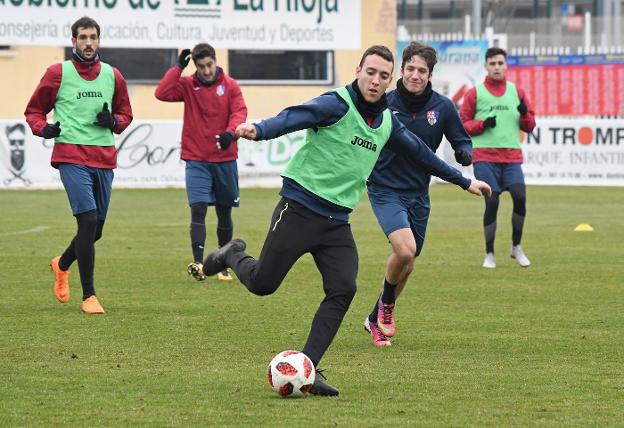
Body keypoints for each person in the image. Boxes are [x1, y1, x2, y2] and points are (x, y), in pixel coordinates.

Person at [200, 45, 492, 396]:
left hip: (336, 222)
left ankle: (308, 368)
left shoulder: (386, 122)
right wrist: (259, 129)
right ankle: (232, 252)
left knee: (343, 288)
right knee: (263, 284)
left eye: (384, 76)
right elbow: (293, 117)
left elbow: (421, 154)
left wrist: (465, 180)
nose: (376, 80)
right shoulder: (335, 104)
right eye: (371, 72)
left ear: (390, 80)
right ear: (358, 70)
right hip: (299, 210)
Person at [363, 41, 474, 347]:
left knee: (408, 262)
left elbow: (460, 140)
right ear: (401, 70)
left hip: (418, 194)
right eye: (410, 68)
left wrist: (464, 152)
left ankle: (375, 319)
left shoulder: (443, 107)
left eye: (421, 70)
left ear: (430, 75)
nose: (414, 75)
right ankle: (386, 307)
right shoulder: (384, 103)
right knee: (405, 250)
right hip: (385, 189)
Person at [24, 16, 133, 314]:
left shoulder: (113, 75)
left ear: (99, 40)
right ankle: (89, 296)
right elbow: (34, 110)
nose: (88, 43)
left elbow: (125, 115)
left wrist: (113, 121)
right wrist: (43, 128)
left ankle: (61, 264)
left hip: (104, 157)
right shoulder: (58, 73)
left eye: (92, 37)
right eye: (82, 37)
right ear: (73, 41)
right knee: (86, 221)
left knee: (95, 230)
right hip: (71, 156)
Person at [155, 43, 247, 282]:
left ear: (216, 61)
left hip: (224, 159)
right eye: (201, 66)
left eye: (209, 65)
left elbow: (240, 112)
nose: (206, 71)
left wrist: (231, 132)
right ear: (195, 65)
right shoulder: (187, 85)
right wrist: (177, 67)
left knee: (224, 212)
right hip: (196, 158)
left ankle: (223, 264)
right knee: (198, 208)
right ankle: (198, 262)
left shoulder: (231, 86)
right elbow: (162, 93)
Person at [459, 47, 536, 269]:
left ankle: (516, 247)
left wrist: (524, 113)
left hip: (511, 158)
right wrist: (482, 124)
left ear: (506, 66)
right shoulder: (475, 93)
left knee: (520, 197)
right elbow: (462, 124)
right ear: (486, 66)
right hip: (485, 157)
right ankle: (490, 253)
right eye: (492, 64)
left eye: (500, 63)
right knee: (492, 201)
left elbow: (530, 126)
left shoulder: (517, 92)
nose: (496, 67)